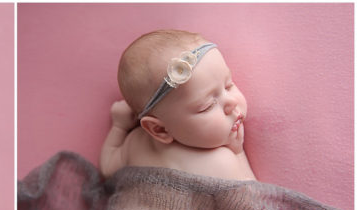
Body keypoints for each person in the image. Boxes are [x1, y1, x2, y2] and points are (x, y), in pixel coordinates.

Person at [100, 29, 255, 181]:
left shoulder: (134, 144)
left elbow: (107, 169)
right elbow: (259, 201)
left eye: (229, 85)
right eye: (207, 106)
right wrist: (238, 152)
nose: (232, 102)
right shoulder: (222, 162)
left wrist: (119, 127)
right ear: (159, 129)